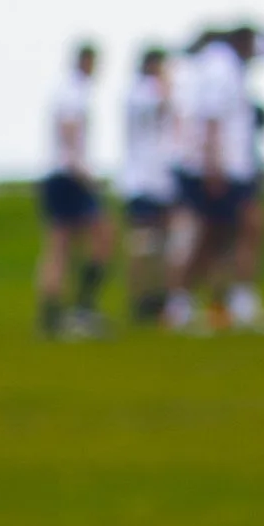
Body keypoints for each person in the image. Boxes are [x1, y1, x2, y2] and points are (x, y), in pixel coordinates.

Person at [168, 20, 264, 329]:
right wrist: (214, 167)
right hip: (223, 168)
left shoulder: (222, 67)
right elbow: (211, 118)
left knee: (221, 236)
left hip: (230, 165)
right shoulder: (220, 67)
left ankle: (215, 302)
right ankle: (196, 301)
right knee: (223, 234)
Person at [35, 40, 110, 334]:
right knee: (94, 238)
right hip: (69, 175)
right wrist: (84, 172)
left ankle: (56, 314)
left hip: (60, 174)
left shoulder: (69, 89)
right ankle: (79, 308)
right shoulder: (73, 91)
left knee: (62, 245)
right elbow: (69, 133)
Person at [118, 45, 178, 320]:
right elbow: (166, 104)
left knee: (160, 241)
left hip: (158, 178)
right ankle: (141, 297)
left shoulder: (138, 91)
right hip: (143, 179)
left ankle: (156, 295)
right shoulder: (142, 91)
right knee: (143, 242)